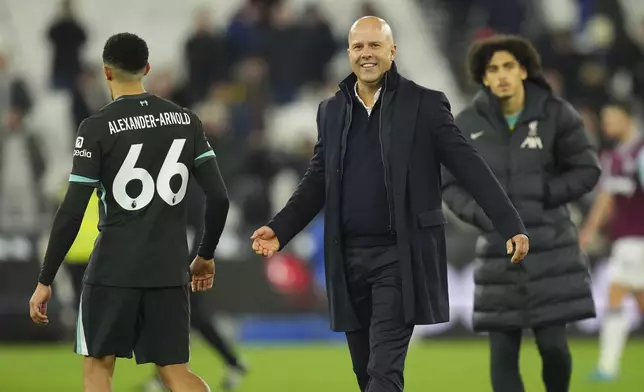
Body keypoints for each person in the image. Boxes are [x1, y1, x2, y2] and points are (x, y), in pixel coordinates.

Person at [251, 17, 530, 392]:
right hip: (347, 260)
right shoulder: (331, 111)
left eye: (374, 45)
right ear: (349, 53)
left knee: (383, 373)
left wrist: (510, 222)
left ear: (392, 51)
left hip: (401, 257)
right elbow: (317, 182)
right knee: (366, 375)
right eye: (359, 47)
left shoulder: (425, 105)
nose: (367, 54)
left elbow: (470, 167)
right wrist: (280, 228)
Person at [28, 32, 229, 392]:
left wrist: (45, 280)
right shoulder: (186, 121)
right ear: (147, 68)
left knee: (98, 368)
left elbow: (72, 210)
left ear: (106, 72)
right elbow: (219, 198)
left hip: (113, 269)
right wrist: (205, 255)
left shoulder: (96, 128)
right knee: (175, 372)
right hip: (169, 268)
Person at [442, 35, 600, 392]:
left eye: (509, 67)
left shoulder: (557, 115)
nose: (501, 75)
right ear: (483, 78)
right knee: (502, 354)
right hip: (498, 252)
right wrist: (482, 215)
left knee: (555, 349)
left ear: (524, 71)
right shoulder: (466, 123)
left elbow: (587, 169)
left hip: (551, 248)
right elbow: (448, 183)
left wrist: (544, 193)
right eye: (492, 69)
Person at [143, 180, 247, 392]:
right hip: (178, 259)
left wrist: (197, 259)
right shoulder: (184, 184)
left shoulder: (190, 187)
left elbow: (201, 225)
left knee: (177, 318)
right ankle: (233, 362)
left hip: (187, 262)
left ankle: (165, 376)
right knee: (189, 318)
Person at [579, 101, 644, 382]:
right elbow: (606, 197)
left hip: (638, 239)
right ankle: (607, 367)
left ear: (626, 119)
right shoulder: (614, 156)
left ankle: (607, 368)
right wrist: (591, 229)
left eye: (611, 119)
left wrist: (590, 229)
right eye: (604, 120)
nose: (606, 125)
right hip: (625, 240)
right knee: (627, 298)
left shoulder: (640, 153)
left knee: (616, 295)